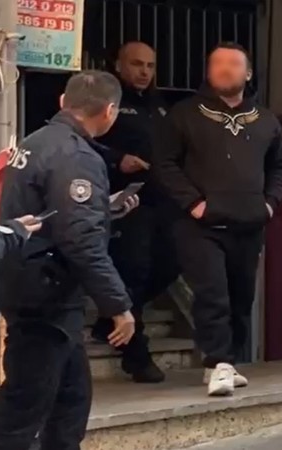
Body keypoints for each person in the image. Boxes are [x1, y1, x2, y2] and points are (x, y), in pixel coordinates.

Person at [0, 70, 138, 450]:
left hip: (34, 287)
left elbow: (56, 214)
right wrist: (118, 306)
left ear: (63, 102)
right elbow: (82, 241)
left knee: (71, 401)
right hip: (44, 296)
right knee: (22, 409)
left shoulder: (35, 141)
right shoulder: (76, 157)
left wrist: (104, 210)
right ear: (110, 112)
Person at [154, 42, 282, 396]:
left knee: (241, 297)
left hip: (249, 223)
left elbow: (280, 165)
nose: (224, 69)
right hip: (200, 225)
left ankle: (225, 362)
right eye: (217, 63)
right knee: (212, 293)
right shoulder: (184, 114)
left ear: (248, 73)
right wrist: (193, 203)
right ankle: (218, 361)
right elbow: (165, 163)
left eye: (233, 63)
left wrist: (270, 204)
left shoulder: (266, 119)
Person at [90, 41, 178, 383]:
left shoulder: (159, 105)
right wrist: (117, 160)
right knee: (134, 270)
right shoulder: (106, 100)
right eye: (137, 64)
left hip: (160, 199)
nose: (144, 71)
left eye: (150, 66)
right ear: (119, 65)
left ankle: (108, 318)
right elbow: (86, 140)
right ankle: (136, 355)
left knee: (173, 262)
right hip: (123, 202)